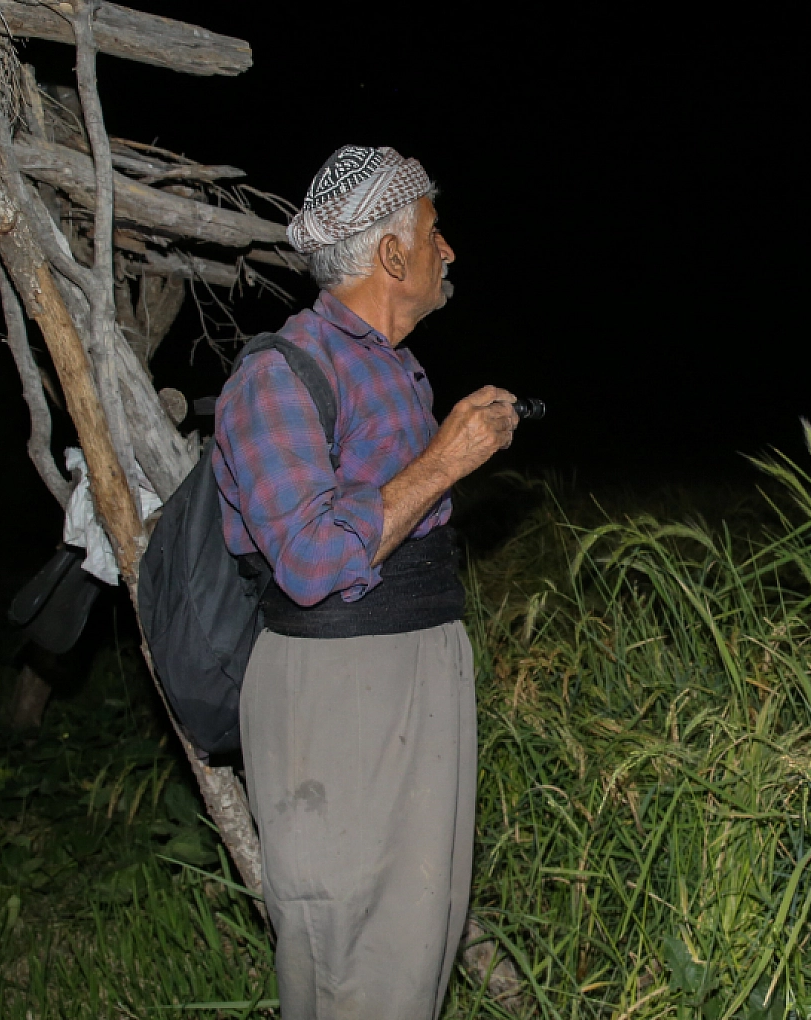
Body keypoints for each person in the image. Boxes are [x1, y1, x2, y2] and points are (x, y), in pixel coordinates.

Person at [211, 144, 517, 1019]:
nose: (445, 250)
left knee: (419, 929)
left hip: (416, 663)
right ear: (391, 255)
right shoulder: (274, 375)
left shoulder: (391, 367)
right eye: (431, 233)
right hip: (337, 686)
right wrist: (447, 459)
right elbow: (308, 559)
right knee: (352, 950)